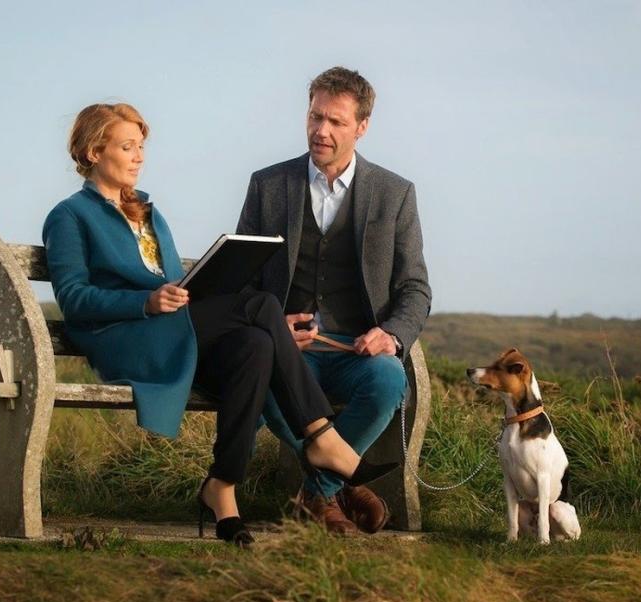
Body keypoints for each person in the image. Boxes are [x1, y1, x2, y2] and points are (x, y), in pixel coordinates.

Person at [42, 103, 395, 547]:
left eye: (141, 147)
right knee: (264, 306)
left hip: (170, 332)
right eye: (127, 147)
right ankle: (322, 437)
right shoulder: (69, 216)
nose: (138, 157)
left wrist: (190, 290)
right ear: (94, 152)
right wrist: (146, 302)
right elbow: (73, 299)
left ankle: (222, 488)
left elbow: (176, 286)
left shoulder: (150, 212)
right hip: (127, 341)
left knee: (255, 346)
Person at [237, 67, 431, 534]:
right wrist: (271, 325)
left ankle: (318, 492)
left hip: (354, 351)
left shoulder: (395, 194)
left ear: (361, 127)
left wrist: (391, 334)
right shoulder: (268, 186)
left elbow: (416, 288)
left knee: (389, 381)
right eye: (315, 116)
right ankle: (342, 485)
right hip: (287, 352)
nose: (320, 131)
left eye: (336, 122)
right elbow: (238, 278)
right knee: (262, 378)